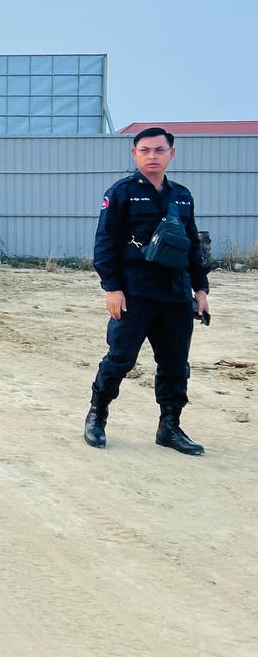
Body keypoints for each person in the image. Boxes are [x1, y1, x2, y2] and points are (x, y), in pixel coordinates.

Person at [86, 127, 212, 455]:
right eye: (145, 150)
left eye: (159, 150)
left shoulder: (181, 196)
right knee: (120, 358)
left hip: (175, 295)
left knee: (175, 364)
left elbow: (192, 245)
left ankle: (170, 426)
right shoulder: (122, 193)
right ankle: (97, 415)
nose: (152, 156)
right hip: (135, 293)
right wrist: (112, 288)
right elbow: (105, 243)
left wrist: (201, 289)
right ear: (135, 154)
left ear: (172, 153)